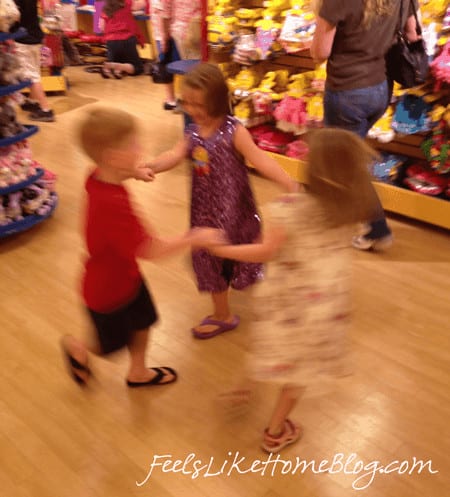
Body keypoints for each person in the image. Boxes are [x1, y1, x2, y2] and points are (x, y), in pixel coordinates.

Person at [209, 128, 381, 452]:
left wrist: (222, 251)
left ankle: (254, 401)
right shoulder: (351, 209)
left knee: (269, 343)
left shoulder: (290, 208)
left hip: (284, 299)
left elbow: (263, 252)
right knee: (298, 373)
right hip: (323, 307)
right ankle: (275, 425)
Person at [61, 107, 224, 386]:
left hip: (126, 277)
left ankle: (138, 371)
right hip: (108, 293)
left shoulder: (98, 175)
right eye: (134, 145)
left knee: (143, 322)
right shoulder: (112, 206)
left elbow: (111, 171)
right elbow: (152, 250)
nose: (140, 148)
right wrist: (195, 237)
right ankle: (79, 347)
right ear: (114, 157)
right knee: (109, 345)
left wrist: (133, 171)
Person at [145, 62, 298, 339]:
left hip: (236, 209)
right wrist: (152, 166)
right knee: (209, 256)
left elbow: (259, 158)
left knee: (243, 254)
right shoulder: (192, 132)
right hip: (205, 212)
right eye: (187, 103)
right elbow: (174, 154)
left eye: (199, 104)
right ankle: (222, 314)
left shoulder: (234, 130)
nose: (192, 110)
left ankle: (252, 305)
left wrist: (288, 182)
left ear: (216, 101)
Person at [310, 0, 420, 250]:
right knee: (344, 159)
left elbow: (320, 53)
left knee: (346, 164)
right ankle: (337, 215)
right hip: (381, 89)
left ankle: (376, 228)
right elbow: (412, 32)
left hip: (348, 91)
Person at [151, 0, 201, 110]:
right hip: (193, 29)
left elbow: (164, 13)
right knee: (193, 70)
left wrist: (164, 36)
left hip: (182, 31)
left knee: (186, 70)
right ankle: (191, 103)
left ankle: (185, 103)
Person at [11, 0, 55, 122]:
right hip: (34, 36)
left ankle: (45, 110)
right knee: (34, 71)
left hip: (23, 39)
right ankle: (32, 101)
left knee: (30, 76)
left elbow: (14, 17)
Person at [98, 0, 145, 78]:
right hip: (127, 39)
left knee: (116, 60)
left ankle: (112, 67)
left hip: (111, 41)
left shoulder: (104, 6)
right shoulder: (127, 2)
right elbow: (142, 4)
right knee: (137, 68)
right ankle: (121, 67)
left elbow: (101, 27)